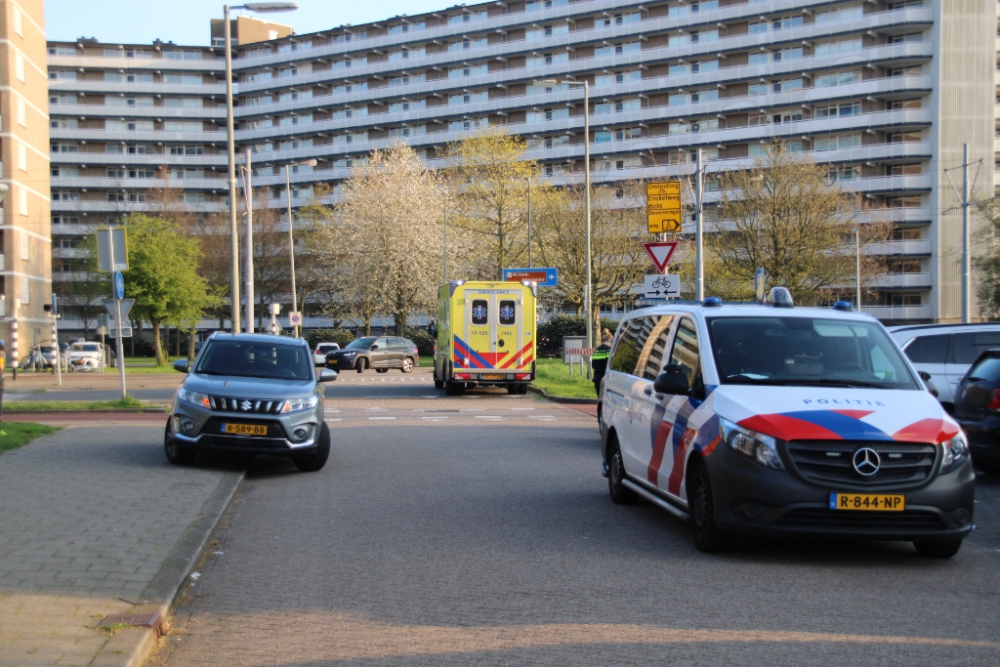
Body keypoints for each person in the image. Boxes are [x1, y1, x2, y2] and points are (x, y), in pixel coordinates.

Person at [591, 329, 614, 397]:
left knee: (600, 399)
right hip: (607, 378)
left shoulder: (597, 350)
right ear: (609, 339)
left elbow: (594, 365)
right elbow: (611, 365)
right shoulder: (609, 351)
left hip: (598, 378)